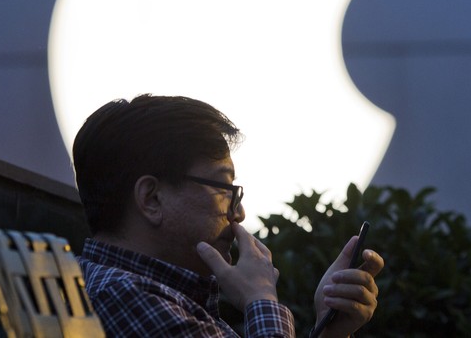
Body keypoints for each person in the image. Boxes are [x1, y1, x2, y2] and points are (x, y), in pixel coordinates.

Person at [73, 94, 384, 337]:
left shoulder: (148, 294)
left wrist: (329, 331)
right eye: (224, 188)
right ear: (152, 199)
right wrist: (260, 298)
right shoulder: (127, 297)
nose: (238, 213)